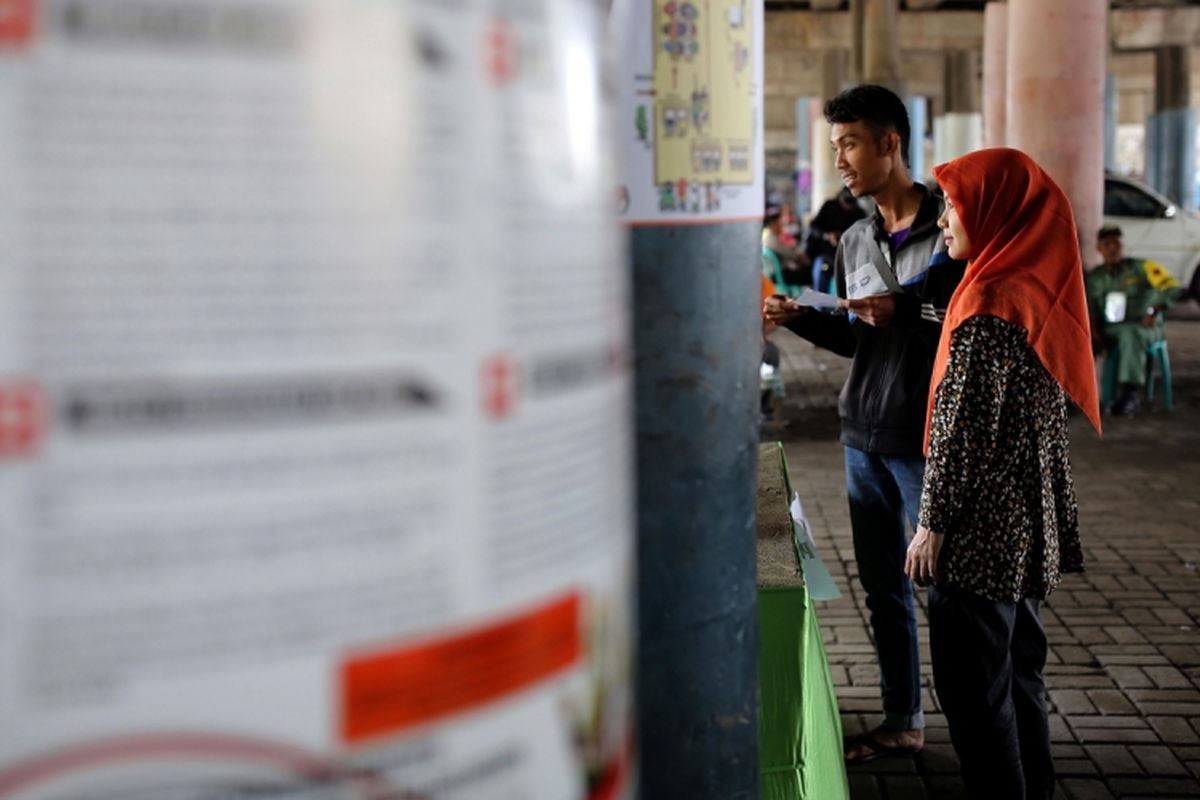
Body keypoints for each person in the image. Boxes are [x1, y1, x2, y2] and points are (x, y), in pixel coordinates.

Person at [763, 84, 966, 764]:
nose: (841, 161)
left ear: (890, 143)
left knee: (945, 592)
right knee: (883, 590)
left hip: (922, 439)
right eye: (834, 147)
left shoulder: (953, 227)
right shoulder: (854, 236)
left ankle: (976, 723)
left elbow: (966, 332)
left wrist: (903, 313)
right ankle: (903, 719)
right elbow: (860, 338)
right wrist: (804, 320)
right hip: (863, 436)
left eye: (850, 144)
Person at [905, 148, 1103, 799]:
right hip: (1025, 533)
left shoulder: (989, 304)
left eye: (955, 205)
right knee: (1020, 682)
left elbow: (962, 433)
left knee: (976, 701)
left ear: (995, 211)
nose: (943, 221)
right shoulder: (1035, 289)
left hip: (981, 539)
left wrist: (931, 525)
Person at [1086, 225, 1183, 417]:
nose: (1113, 248)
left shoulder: (1142, 267)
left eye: (1117, 243)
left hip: (1145, 326)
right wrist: (1093, 333)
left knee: (1131, 334)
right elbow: (1090, 309)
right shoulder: (1095, 277)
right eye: (1107, 244)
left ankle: (1130, 395)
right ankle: (1080, 396)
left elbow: (1172, 286)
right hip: (1111, 327)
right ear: (1099, 248)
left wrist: (1154, 309)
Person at [806, 187, 866, 293]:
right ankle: (819, 306)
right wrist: (827, 235)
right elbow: (814, 226)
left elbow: (863, 235)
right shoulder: (829, 206)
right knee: (820, 282)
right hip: (824, 253)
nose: (847, 207)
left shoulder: (859, 213)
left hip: (848, 256)